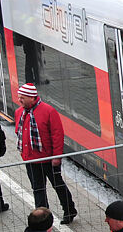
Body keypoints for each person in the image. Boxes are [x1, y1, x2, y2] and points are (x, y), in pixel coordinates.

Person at [13, 84, 76, 224]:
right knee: (38, 189)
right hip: (31, 160)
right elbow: (20, 134)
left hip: (48, 159)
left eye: (22, 97)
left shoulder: (48, 111)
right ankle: (43, 219)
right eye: (19, 97)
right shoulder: (19, 112)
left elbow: (57, 135)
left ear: (31, 97)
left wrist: (56, 157)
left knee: (58, 185)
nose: (19, 100)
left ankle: (69, 210)